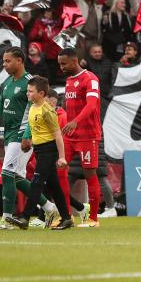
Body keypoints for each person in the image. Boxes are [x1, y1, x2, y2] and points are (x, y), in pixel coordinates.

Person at [0, 47, 59, 229]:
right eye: (3, 61)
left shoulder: (29, 83)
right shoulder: (8, 83)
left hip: (21, 134)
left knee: (6, 173)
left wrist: (27, 135)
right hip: (9, 135)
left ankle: (7, 219)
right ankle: (49, 207)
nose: (4, 65)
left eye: (8, 61)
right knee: (14, 176)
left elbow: (35, 111)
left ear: (20, 60)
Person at [6, 76, 74, 230]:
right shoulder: (32, 107)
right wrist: (29, 140)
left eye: (31, 91)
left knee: (36, 182)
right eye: (27, 91)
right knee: (54, 186)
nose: (27, 94)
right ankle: (66, 218)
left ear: (42, 93)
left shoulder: (47, 110)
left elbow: (57, 135)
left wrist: (62, 157)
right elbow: (36, 129)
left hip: (48, 150)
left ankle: (25, 217)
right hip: (39, 149)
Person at [55, 48, 103, 227]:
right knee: (59, 171)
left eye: (64, 63)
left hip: (88, 135)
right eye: (59, 63)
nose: (61, 67)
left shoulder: (90, 79)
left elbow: (92, 105)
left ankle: (93, 219)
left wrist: (75, 121)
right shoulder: (69, 80)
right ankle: (67, 216)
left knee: (90, 173)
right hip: (70, 135)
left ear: (75, 61)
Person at [46, 89, 88, 225]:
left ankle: (63, 215)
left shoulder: (62, 116)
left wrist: (61, 156)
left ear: (52, 101)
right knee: (52, 186)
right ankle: (79, 209)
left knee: (54, 185)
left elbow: (64, 139)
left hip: (59, 156)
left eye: (45, 99)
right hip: (49, 154)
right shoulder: (46, 113)